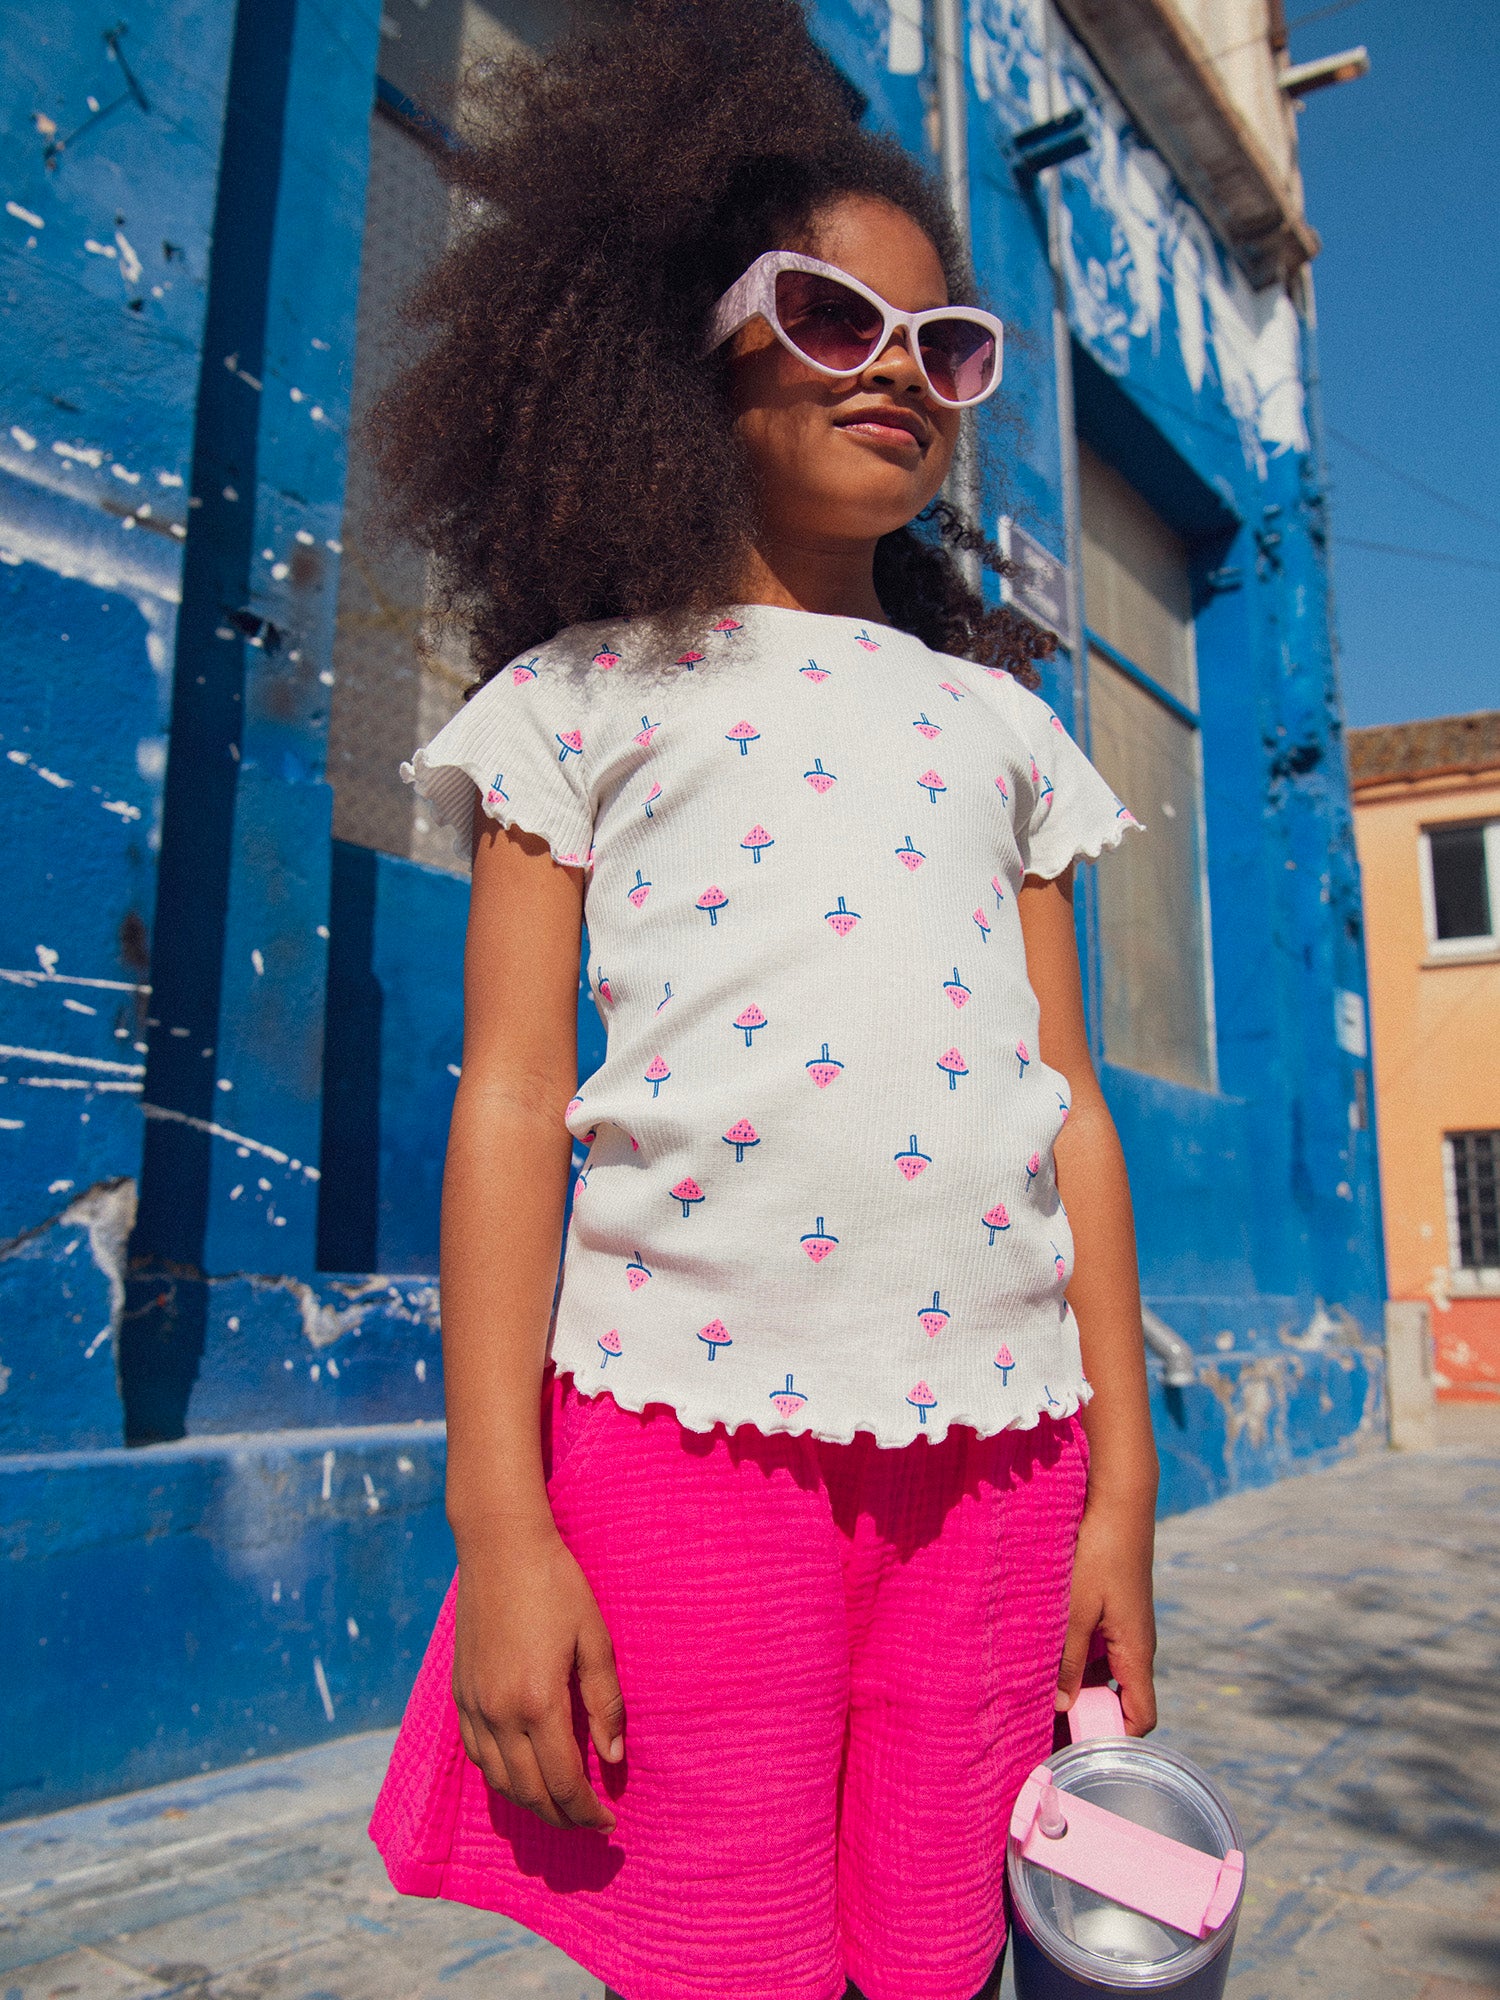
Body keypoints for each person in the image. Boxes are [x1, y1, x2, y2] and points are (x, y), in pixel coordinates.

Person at [368, 5, 1158, 1997]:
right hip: (679, 1449)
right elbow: (512, 1094)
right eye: (827, 315)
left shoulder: (1007, 729)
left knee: (938, 1952)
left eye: (943, 344)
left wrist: (1125, 1490)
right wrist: (502, 1520)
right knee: (724, 1953)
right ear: (675, 335)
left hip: (1002, 1466)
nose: (897, 366)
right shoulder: (579, 701)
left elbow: (1071, 1103)